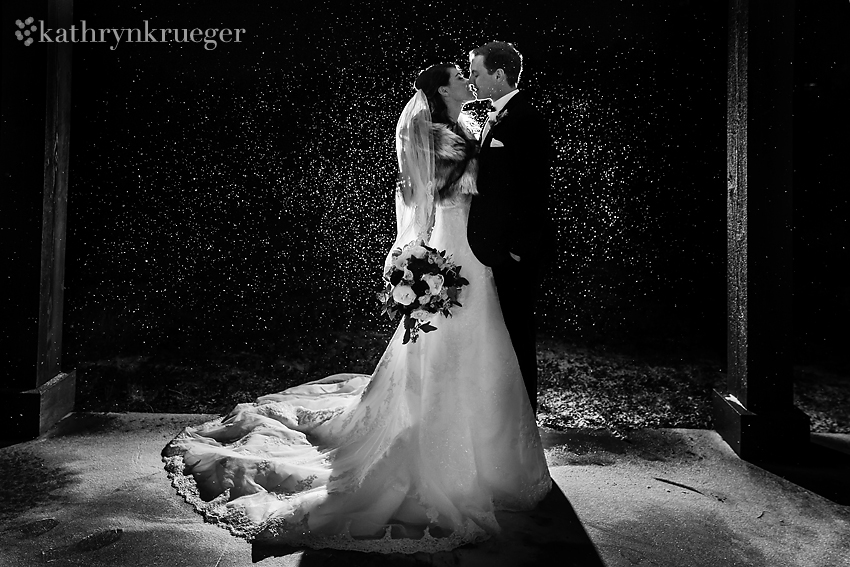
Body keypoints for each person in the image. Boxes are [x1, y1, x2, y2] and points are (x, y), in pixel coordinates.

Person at [162, 64, 551, 555]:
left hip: (478, 257)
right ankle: (442, 454)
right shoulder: (430, 133)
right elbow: (422, 198)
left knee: (483, 354)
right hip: (454, 248)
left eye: (468, 73)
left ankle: (499, 459)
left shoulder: (468, 122)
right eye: (459, 76)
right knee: (446, 354)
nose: (466, 81)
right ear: (441, 89)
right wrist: (418, 258)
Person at [467, 41, 555, 414]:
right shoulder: (492, 116)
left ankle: (524, 423)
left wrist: (519, 248)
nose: (471, 80)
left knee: (518, 336)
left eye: (476, 73)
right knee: (499, 337)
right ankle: (501, 417)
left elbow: (535, 189)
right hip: (490, 250)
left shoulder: (526, 118)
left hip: (514, 254)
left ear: (498, 75)